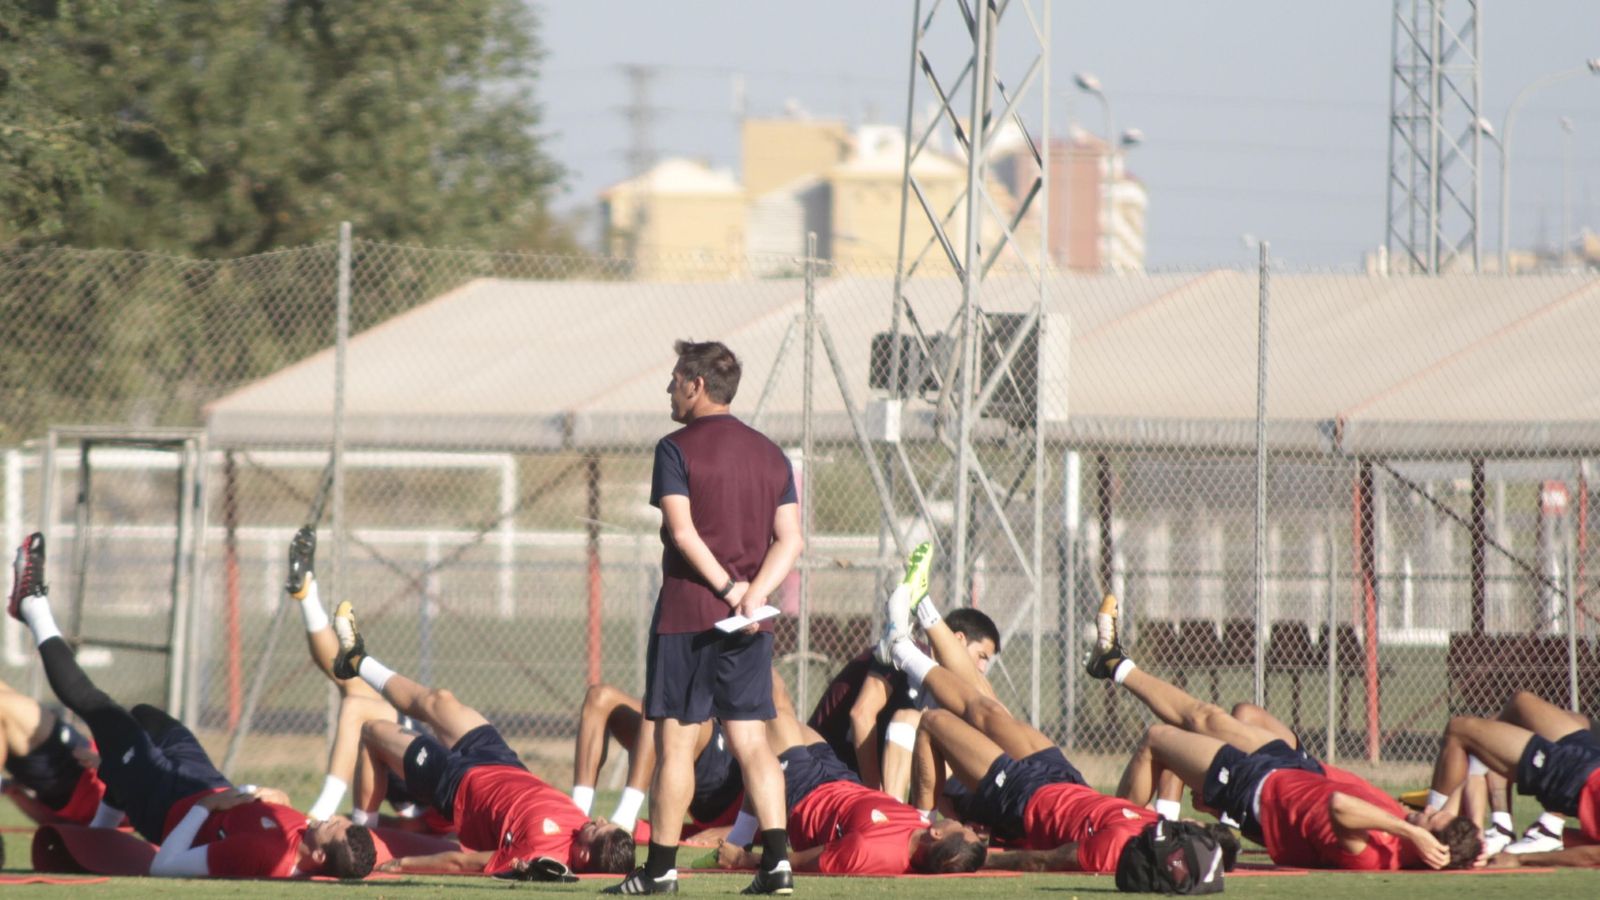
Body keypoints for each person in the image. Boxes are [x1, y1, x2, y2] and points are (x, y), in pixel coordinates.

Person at [7, 532, 375, 879]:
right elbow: (261, 811)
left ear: (321, 856)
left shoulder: (265, 854)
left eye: (333, 828)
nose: (329, 819)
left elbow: (165, 865)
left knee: (94, 704)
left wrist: (205, 808)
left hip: (168, 802)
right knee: (146, 718)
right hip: (201, 780)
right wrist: (277, 797)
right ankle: (99, 833)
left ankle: (32, 605)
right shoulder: (305, 836)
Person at [1085, 595, 1478, 871]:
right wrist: (1477, 843)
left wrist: (1412, 830)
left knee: (1158, 739)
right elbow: (1468, 785)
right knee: (1208, 716)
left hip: (1254, 790)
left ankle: (1112, 834)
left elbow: (1341, 805)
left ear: (1429, 850)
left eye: (1429, 824)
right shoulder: (1408, 830)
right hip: (1291, 770)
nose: (1425, 812)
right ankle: (1114, 662)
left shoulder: (1378, 853)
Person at [614, 339, 803, 896]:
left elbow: (682, 532)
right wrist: (753, 596)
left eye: (675, 379)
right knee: (753, 742)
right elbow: (791, 539)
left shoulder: (674, 448)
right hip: (752, 622)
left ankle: (660, 872)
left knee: (675, 743)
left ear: (696, 386)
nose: (669, 389)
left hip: (690, 617)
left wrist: (725, 590)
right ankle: (776, 866)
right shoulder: (771, 454)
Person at [876, 594, 1226, 884]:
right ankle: (919, 607)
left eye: (1197, 831)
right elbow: (1169, 765)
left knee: (933, 722)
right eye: (1197, 827)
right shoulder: (1153, 825)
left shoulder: (1118, 849)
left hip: (1025, 799)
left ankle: (920, 828)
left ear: (1175, 852)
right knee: (989, 712)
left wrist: (980, 861)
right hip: (1065, 778)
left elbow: (1044, 861)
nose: (1195, 824)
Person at [330, 600, 635, 878]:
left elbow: (465, 863)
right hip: (501, 759)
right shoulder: (580, 827)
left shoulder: (539, 855)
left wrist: (405, 864)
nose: (597, 819)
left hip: (456, 785)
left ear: (582, 853)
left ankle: (361, 839)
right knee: (439, 700)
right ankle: (356, 660)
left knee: (372, 732)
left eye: (598, 829)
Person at [709, 671, 985, 875]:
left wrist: (745, 862)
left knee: (770, 694)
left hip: (805, 794)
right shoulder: (923, 830)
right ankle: (742, 834)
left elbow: (799, 862)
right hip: (839, 777)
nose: (966, 825)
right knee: (776, 706)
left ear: (937, 835)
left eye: (962, 829)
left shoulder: (870, 851)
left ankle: (719, 653)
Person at [284, 526, 449, 833]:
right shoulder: (463, 817)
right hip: (424, 776)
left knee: (356, 698)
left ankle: (308, 597)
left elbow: (425, 836)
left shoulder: (453, 829)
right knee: (354, 691)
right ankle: (308, 596)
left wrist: (352, 824)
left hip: (421, 785)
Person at [1418, 689, 1600, 867]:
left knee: (1459, 730)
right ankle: (1496, 828)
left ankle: (1440, 836)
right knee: (1521, 702)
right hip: (1593, 760)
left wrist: (1521, 859)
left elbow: (1594, 855)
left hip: (1577, 779)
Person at [571, 682, 744, 837]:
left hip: (729, 786)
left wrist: (736, 830)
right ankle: (577, 820)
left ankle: (625, 819)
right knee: (599, 697)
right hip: (686, 752)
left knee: (661, 697)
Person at [0, 677, 120, 827]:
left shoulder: (146, 809)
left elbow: (55, 822)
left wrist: (101, 763)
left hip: (71, 778)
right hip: (78, 762)